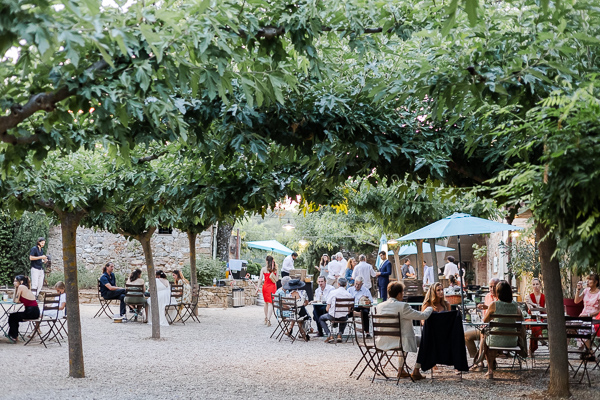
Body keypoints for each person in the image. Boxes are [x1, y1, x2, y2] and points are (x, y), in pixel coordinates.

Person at [375, 281, 433, 381]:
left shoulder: (379, 306)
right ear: (399, 294)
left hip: (383, 341)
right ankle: (416, 370)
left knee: (404, 337)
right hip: (400, 342)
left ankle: (401, 370)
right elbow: (423, 316)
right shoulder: (403, 306)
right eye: (403, 292)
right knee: (426, 340)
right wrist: (430, 308)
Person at [482, 280, 523, 379]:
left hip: (495, 340)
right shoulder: (515, 305)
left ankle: (490, 370)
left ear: (498, 293)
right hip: (512, 341)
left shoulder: (494, 304)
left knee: (484, 340)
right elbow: (521, 319)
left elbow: (485, 320)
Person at [465, 277, 500, 370]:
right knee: (466, 336)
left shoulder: (501, 298)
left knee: (482, 334)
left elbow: (497, 313)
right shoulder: (487, 296)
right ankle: (475, 358)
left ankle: (479, 362)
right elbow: (485, 316)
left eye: (494, 286)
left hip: (495, 330)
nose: (492, 289)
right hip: (485, 327)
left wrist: (487, 307)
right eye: (490, 286)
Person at [6, 275, 40, 343]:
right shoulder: (24, 287)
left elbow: (15, 300)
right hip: (34, 311)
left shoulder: (21, 287)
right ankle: (14, 336)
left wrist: (16, 289)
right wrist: (16, 288)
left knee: (12, 317)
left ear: (21, 282)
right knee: (14, 316)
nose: (14, 282)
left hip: (31, 312)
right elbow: (17, 300)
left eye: (15, 281)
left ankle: (14, 336)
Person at [319, 277, 353, 343]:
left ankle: (329, 334)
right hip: (343, 317)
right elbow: (349, 309)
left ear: (338, 284)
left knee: (321, 318)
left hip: (332, 316)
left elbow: (327, 308)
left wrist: (330, 310)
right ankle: (340, 334)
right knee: (344, 316)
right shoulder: (349, 295)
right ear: (346, 284)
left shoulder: (333, 293)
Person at [574, 273, 600, 358]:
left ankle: (589, 351)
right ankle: (565, 353)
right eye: (587, 279)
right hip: (583, 316)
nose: (587, 281)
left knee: (584, 328)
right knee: (569, 326)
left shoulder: (599, 294)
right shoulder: (586, 291)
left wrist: (588, 315)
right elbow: (576, 301)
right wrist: (578, 290)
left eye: (590, 280)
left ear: (596, 282)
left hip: (593, 318)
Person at [525, 278, 546, 354]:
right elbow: (531, 310)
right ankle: (540, 337)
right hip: (532, 318)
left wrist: (533, 304)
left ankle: (531, 350)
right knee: (534, 323)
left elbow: (545, 310)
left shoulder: (544, 296)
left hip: (542, 318)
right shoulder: (528, 297)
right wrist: (537, 307)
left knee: (535, 324)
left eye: (537, 284)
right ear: (532, 286)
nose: (535, 286)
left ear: (540, 285)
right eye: (534, 284)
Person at [257, 255, 278, 327]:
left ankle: (265, 318)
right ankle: (269, 319)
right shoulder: (275, 269)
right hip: (272, 287)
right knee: (270, 304)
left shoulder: (263, 269)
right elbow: (277, 279)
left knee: (265, 303)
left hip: (265, 287)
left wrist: (257, 288)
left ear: (266, 261)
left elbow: (260, 279)